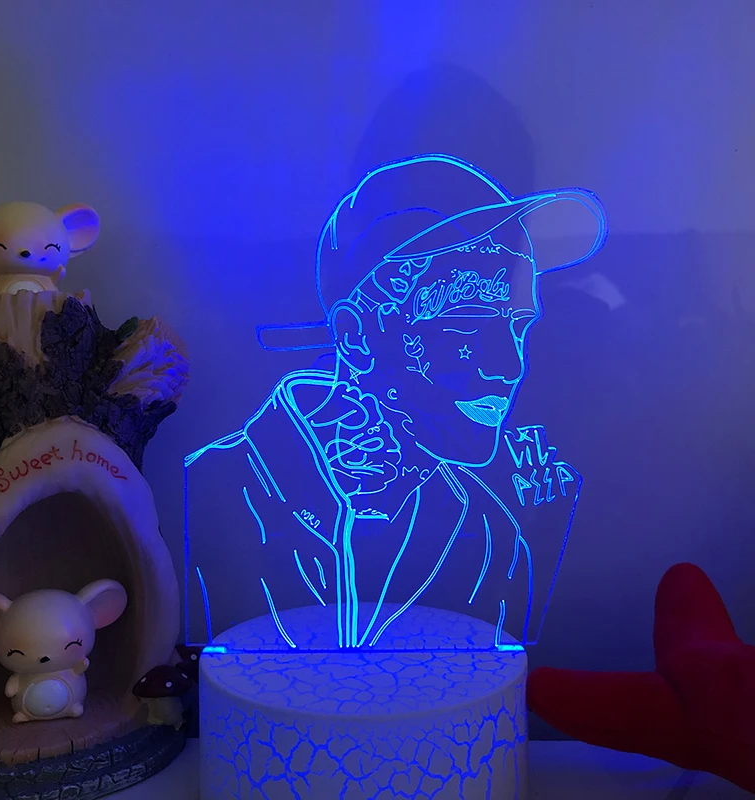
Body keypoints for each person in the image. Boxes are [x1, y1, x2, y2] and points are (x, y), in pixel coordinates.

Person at [185, 154, 607, 649]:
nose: (510, 367)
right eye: (466, 322)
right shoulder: (211, 488)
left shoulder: (494, 541)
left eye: (518, 325)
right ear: (356, 335)